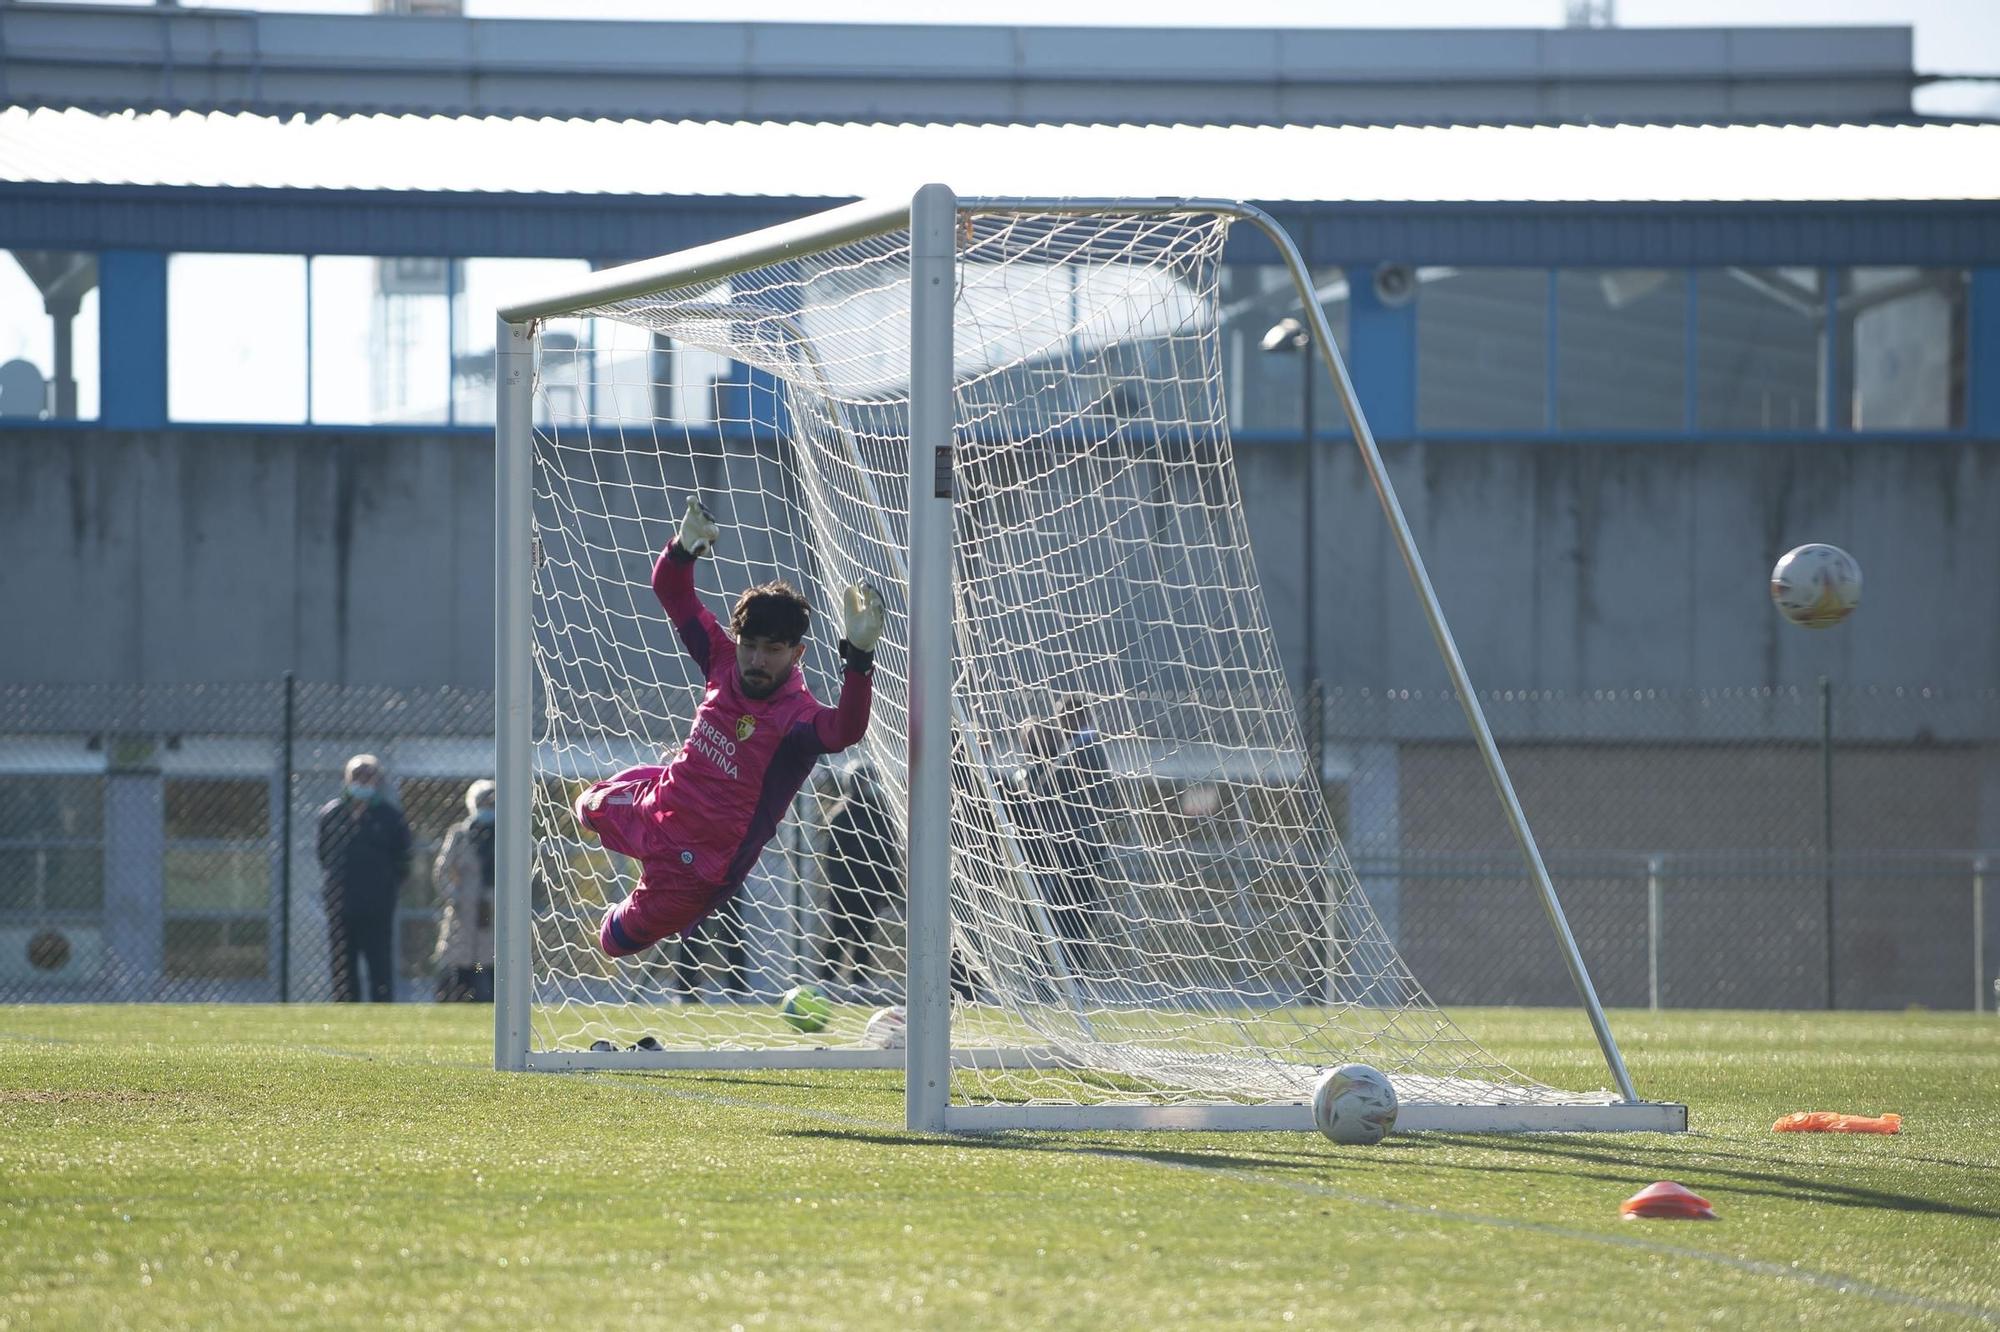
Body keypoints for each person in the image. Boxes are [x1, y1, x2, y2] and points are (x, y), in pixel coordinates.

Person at [576, 496, 884, 960]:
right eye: (750, 645)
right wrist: (684, 547)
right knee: (585, 806)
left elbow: (845, 731)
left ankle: (643, 895)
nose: (757, 660)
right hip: (655, 808)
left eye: (773, 650)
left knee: (613, 942)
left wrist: (859, 659)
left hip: (695, 871)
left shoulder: (794, 718)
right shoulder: (723, 661)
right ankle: (652, 790)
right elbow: (671, 592)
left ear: (796, 654)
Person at [316, 753, 412, 1003]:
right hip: (340, 900)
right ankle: (345, 1006)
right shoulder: (331, 813)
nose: (362, 782)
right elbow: (323, 854)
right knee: (342, 960)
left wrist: (387, 885)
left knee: (378, 958)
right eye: (357, 776)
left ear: (378, 781)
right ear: (347, 779)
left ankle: (382, 1006)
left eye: (368, 777)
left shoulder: (390, 816)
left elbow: (403, 859)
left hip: (378, 901)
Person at [815, 762, 903, 991]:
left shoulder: (880, 814)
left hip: (871, 887)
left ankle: (860, 982)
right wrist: (841, 886)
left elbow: (887, 854)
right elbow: (833, 858)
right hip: (845, 890)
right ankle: (825, 981)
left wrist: (890, 888)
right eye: (866, 781)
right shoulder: (842, 815)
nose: (872, 786)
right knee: (839, 934)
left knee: (865, 936)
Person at [431, 778, 496, 1002]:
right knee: (461, 957)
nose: (488, 808)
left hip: (493, 908)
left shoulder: (506, 834)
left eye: (493, 804)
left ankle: (487, 996)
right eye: (484, 803)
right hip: (464, 907)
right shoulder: (461, 834)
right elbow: (442, 869)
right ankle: (456, 996)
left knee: (486, 959)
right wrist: (455, 896)